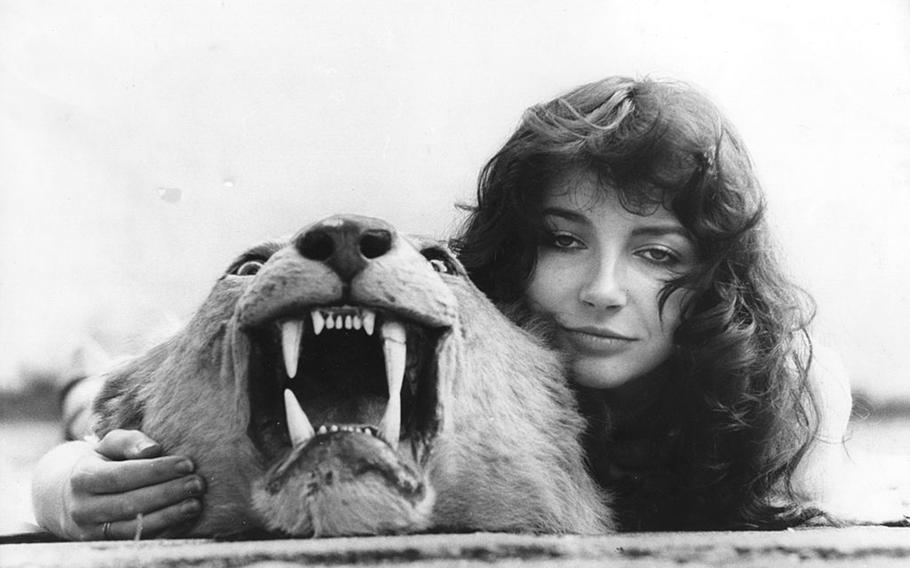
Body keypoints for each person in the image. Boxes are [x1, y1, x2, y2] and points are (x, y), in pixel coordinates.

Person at [31, 76, 901, 537]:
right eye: (563, 240)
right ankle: (88, 368)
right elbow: (110, 442)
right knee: (110, 386)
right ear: (513, 254)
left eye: (658, 254)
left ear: (713, 286)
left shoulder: (779, 396)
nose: (602, 290)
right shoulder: (467, 308)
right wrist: (64, 484)